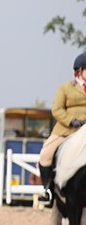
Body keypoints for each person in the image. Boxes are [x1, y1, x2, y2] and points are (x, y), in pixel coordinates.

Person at [37, 51, 86, 203]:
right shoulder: (65, 88)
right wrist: (72, 121)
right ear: (79, 71)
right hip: (67, 130)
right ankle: (48, 190)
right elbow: (57, 109)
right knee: (45, 154)